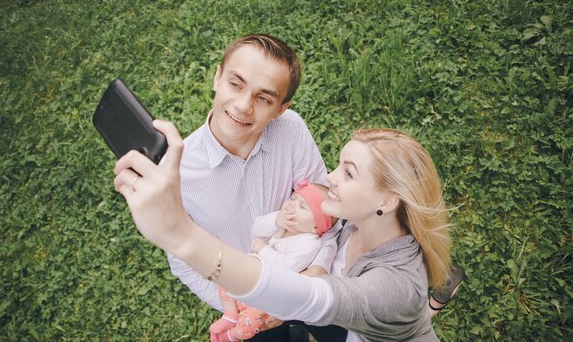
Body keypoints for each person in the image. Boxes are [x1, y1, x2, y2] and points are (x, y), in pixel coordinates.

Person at [114, 122, 452, 341]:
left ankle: (426, 311)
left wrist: (179, 234)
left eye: (348, 174)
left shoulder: (395, 287)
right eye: (337, 166)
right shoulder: (352, 221)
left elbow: (308, 296)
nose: (330, 178)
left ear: (388, 200)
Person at [164, 34, 341, 340]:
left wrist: (314, 278)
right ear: (217, 77)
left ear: (281, 108)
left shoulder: (291, 130)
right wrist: (246, 303)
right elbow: (184, 263)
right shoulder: (177, 173)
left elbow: (328, 215)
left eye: (263, 98)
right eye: (236, 84)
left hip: (309, 279)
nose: (244, 105)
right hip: (249, 306)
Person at [210, 181, 336, 342]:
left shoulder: (309, 242)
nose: (291, 206)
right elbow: (257, 228)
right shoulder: (283, 224)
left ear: (315, 227)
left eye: (302, 206)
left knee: (254, 321)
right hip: (252, 278)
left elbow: (288, 268)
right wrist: (277, 220)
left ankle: (232, 335)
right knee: (226, 277)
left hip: (271, 295)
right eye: (293, 199)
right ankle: (230, 315)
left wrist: (264, 250)